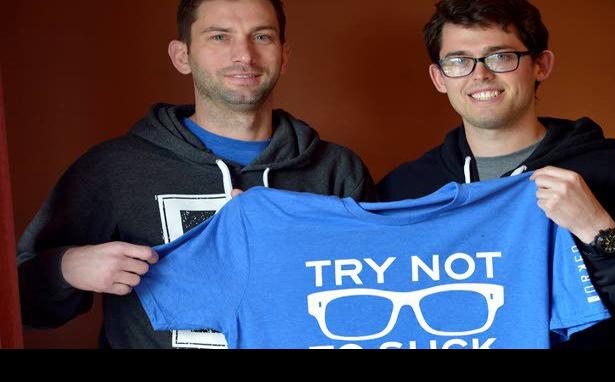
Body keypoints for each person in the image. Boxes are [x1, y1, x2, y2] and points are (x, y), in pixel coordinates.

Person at [16, 0, 376, 349]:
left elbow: (375, 301)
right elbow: (18, 303)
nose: (244, 55)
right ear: (182, 56)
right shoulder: (114, 168)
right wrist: (65, 268)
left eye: (262, 36)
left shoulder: (337, 170)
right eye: (219, 36)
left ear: (284, 55)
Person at [376, 0, 615, 348]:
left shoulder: (614, 174)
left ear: (541, 65)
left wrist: (599, 231)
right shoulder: (404, 191)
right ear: (439, 77)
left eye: (500, 56)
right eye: (459, 61)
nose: (480, 74)